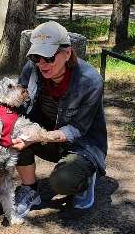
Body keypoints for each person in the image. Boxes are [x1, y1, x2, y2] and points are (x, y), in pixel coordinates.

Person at [11, 20, 107, 219]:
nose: (41, 63)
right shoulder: (32, 69)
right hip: (46, 136)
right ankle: (30, 190)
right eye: (36, 57)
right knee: (12, 132)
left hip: (81, 145)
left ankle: (84, 180)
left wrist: (36, 136)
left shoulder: (90, 81)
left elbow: (76, 130)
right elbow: (16, 104)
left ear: (67, 53)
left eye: (48, 57)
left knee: (63, 181)